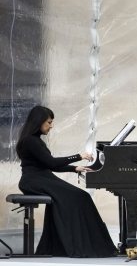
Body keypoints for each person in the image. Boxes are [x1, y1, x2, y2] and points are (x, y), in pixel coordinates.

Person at [16, 106, 117, 257]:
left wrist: (74, 168)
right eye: (49, 122)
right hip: (35, 181)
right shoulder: (31, 141)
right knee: (80, 196)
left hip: (41, 178)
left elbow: (49, 165)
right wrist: (78, 156)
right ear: (39, 121)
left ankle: (80, 245)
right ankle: (86, 245)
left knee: (81, 196)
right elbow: (51, 163)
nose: (51, 126)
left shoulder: (34, 140)